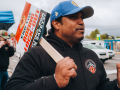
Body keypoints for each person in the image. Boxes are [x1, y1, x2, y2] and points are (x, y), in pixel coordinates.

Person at [3, 1, 120, 90]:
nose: (81, 22)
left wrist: (117, 84)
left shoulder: (91, 55)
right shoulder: (36, 54)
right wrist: (54, 81)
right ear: (56, 24)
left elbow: (101, 86)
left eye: (82, 18)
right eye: (73, 17)